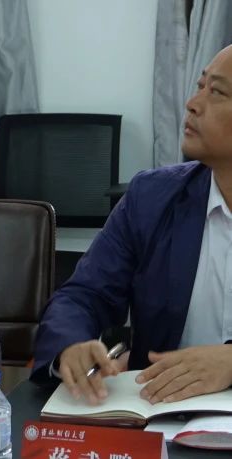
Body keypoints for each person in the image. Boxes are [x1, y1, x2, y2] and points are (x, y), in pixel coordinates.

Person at [31, 44, 232, 406]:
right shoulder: (152, 197)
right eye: (199, 86)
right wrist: (71, 345)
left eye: (216, 92)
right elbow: (84, 295)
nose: (192, 103)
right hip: (159, 410)